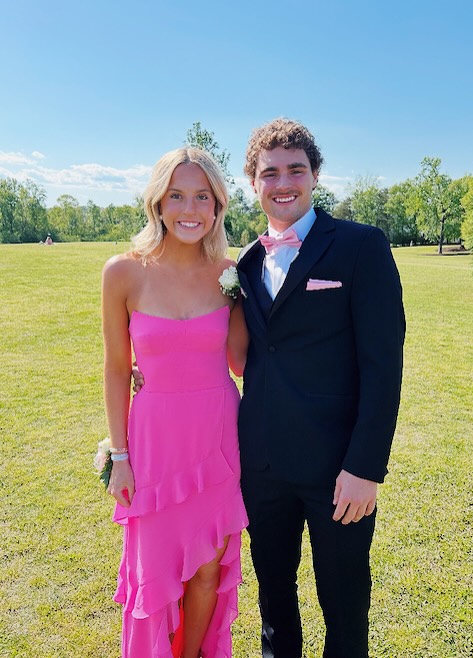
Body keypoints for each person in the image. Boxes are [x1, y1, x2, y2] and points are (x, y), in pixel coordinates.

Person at [235, 118, 405, 658]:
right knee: (273, 600)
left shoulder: (360, 245)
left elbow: (383, 366)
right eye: (270, 173)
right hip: (262, 466)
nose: (283, 183)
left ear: (315, 175)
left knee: (344, 603)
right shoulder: (245, 262)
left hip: (338, 470)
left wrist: (365, 468)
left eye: (296, 170)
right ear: (253, 182)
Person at [102, 147, 248, 658]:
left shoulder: (231, 274)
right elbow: (116, 369)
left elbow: (241, 362)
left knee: (208, 568)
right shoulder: (123, 272)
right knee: (157, 571)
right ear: (158, 203)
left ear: (217, 206)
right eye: (177, 196)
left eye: (202, 197)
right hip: (154, 442)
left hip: (217, 437)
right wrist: (120, 456)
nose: (190, 209)